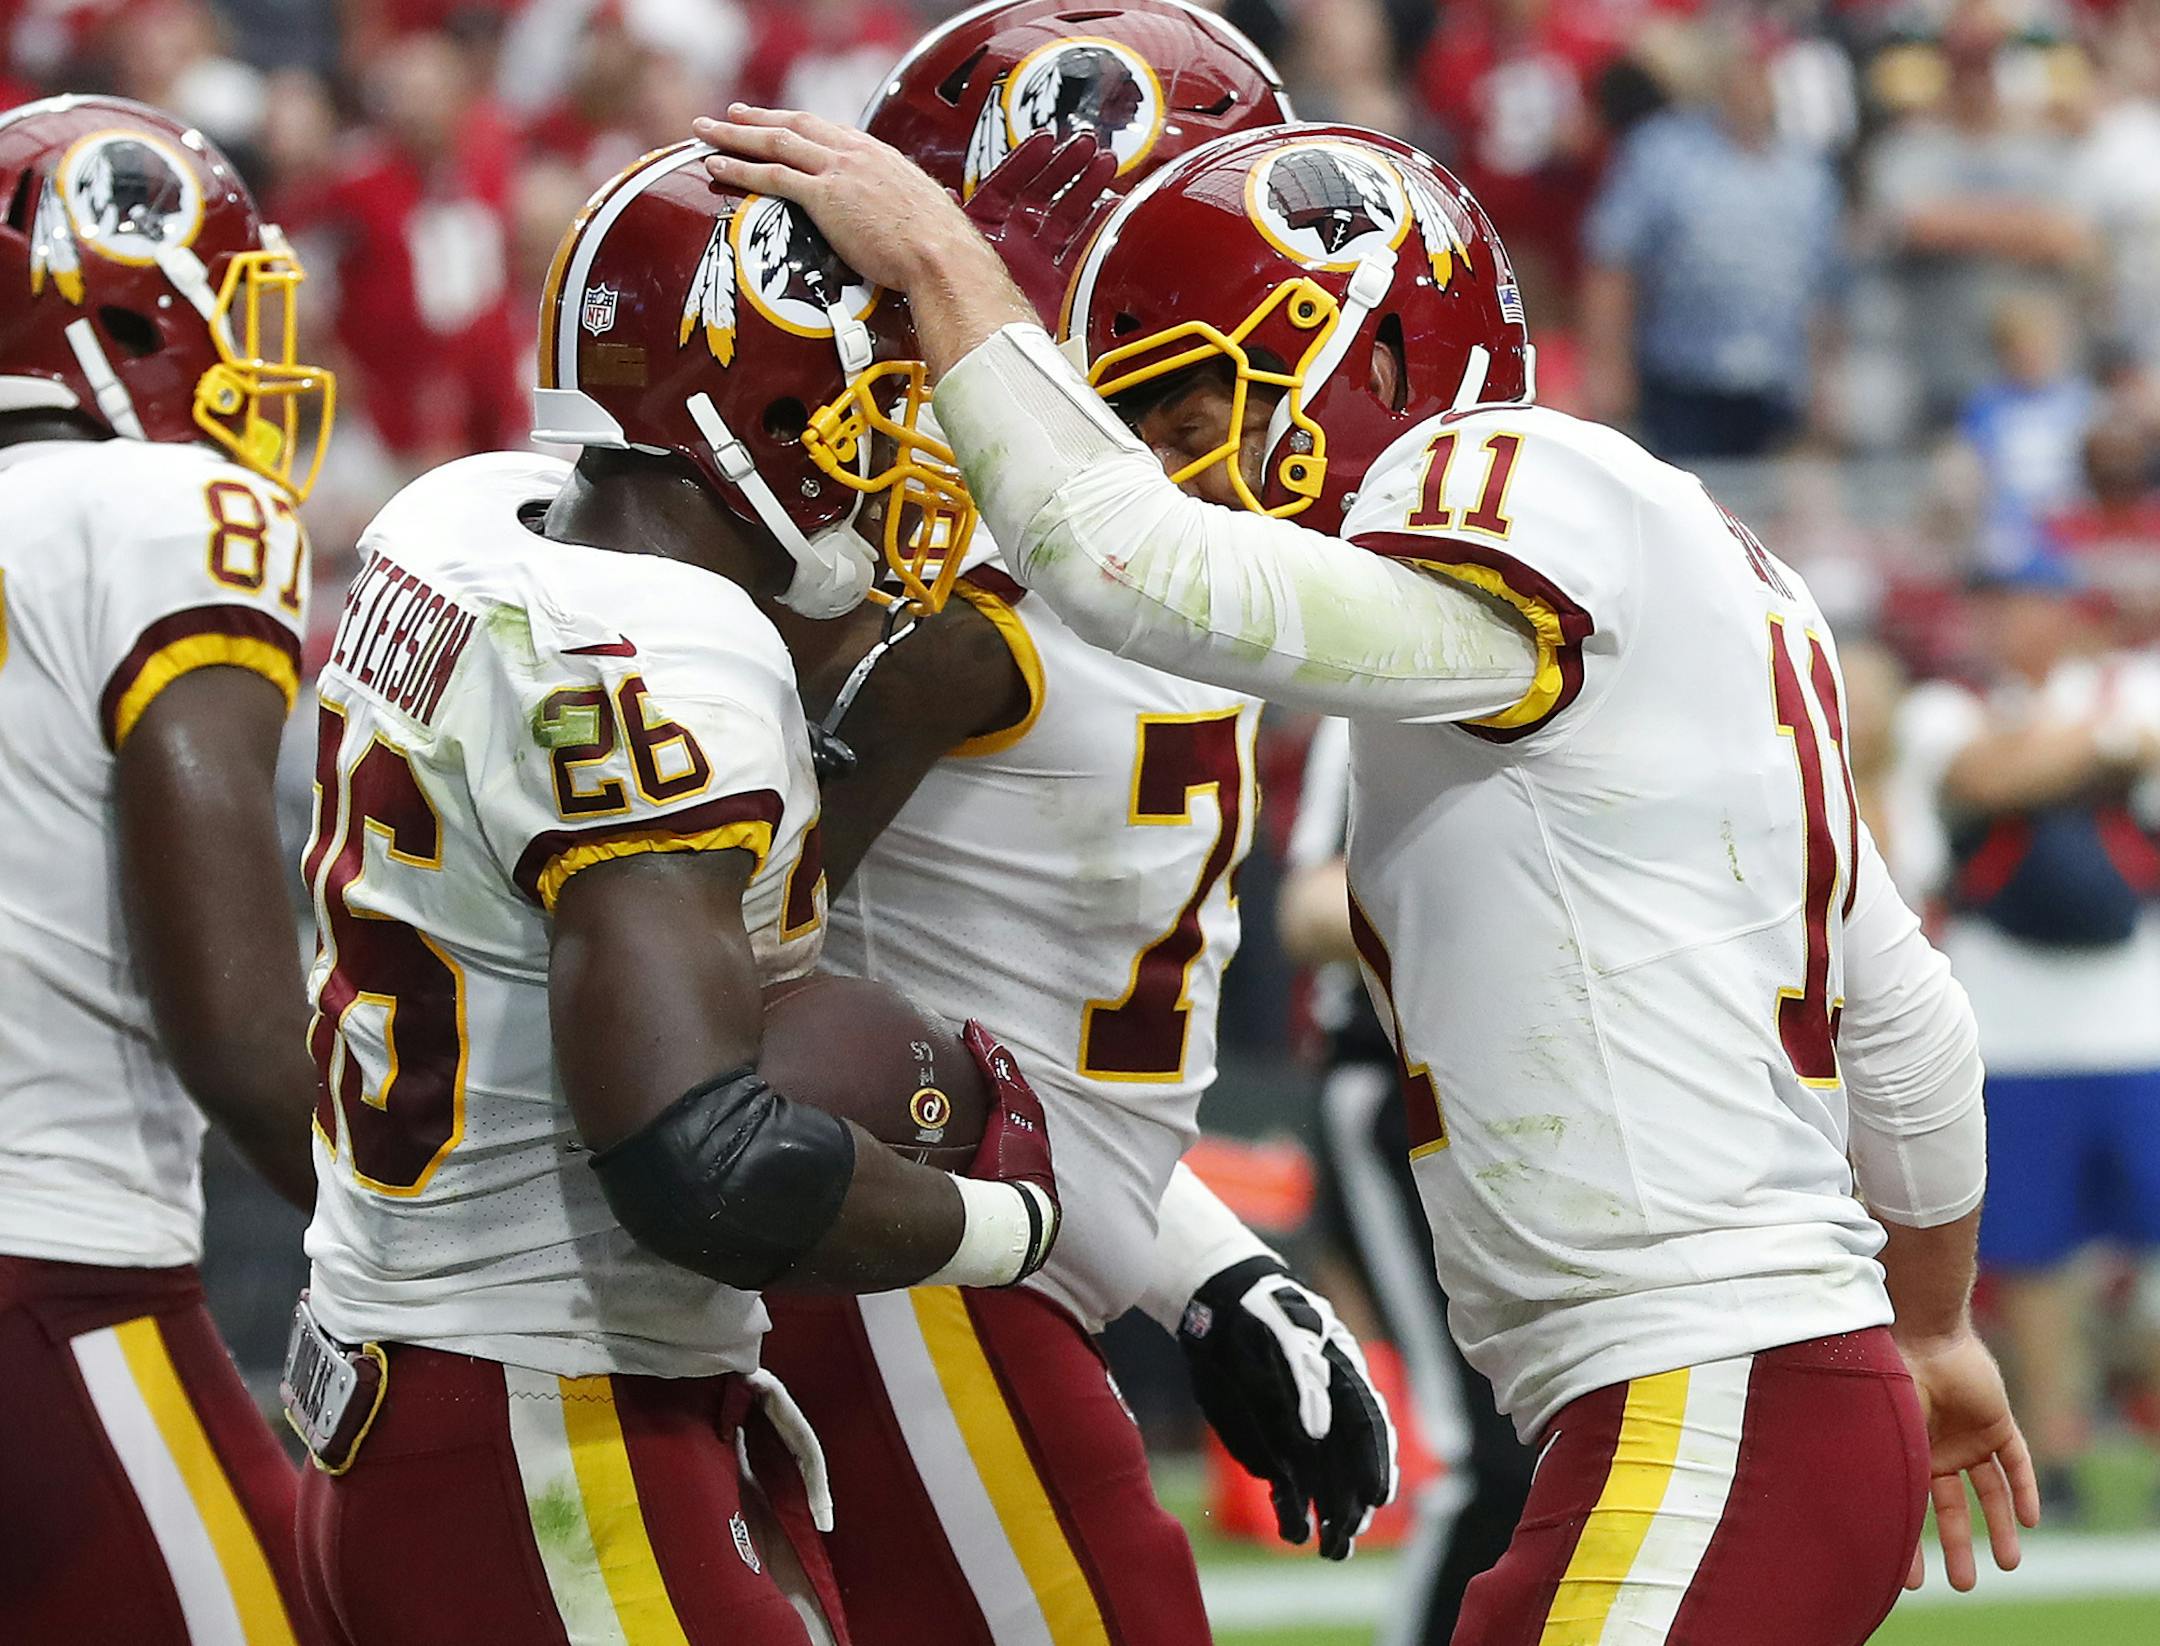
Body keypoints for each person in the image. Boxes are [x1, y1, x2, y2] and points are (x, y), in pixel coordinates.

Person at [695, 106, 2039, 1643]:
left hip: (1717, 1388)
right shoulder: (1695, 580)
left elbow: (1129, 567)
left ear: (1381, 353)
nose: (1182, 470)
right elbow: (1911, 1017)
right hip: (1762, 1384)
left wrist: (938, 252)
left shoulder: (1515, 484)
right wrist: (1928, 1328)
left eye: (1208, 409)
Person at [288, 142, 1060, 1646]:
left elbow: (678, 900)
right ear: (749, 413)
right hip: (542, 1426)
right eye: (866, 408)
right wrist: (1007, 1223)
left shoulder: (472, 520)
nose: (889, 451)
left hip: (416, 1396)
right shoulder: (659, 652)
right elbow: (703, 1160)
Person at [759, 13, 1391, 1640]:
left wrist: (1213, 1271)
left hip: (1004, 1251)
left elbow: (1031, 1025)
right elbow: (753, 967)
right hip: (906, 1247)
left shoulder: (1155, 537)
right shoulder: (913, 554)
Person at [0, 96, 330, 1643]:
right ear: (121, 303)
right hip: (53, 1262)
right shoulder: (155, 510)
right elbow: (244, 1035)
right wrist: (453, 1263)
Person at [1899, 555, 2160, 1518]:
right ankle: (2057, 1449)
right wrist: (2103, 752)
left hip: (2139, 1022)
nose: (2016, 622)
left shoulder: (2135, 681)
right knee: (2035, 1260)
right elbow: (1976, 775)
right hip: (2006, 1027)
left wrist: (2042, 760)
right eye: (1998, 604)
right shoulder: (1947, 707)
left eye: (2034, 602)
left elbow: (2014, 773)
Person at [1281, 717, 1534, 1646]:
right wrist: (1504, 883)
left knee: (1606, 1445)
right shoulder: (1377, 695)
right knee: (1492, 1459)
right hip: (1413, 1088)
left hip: (1575, 1099)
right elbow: (1307, 909)